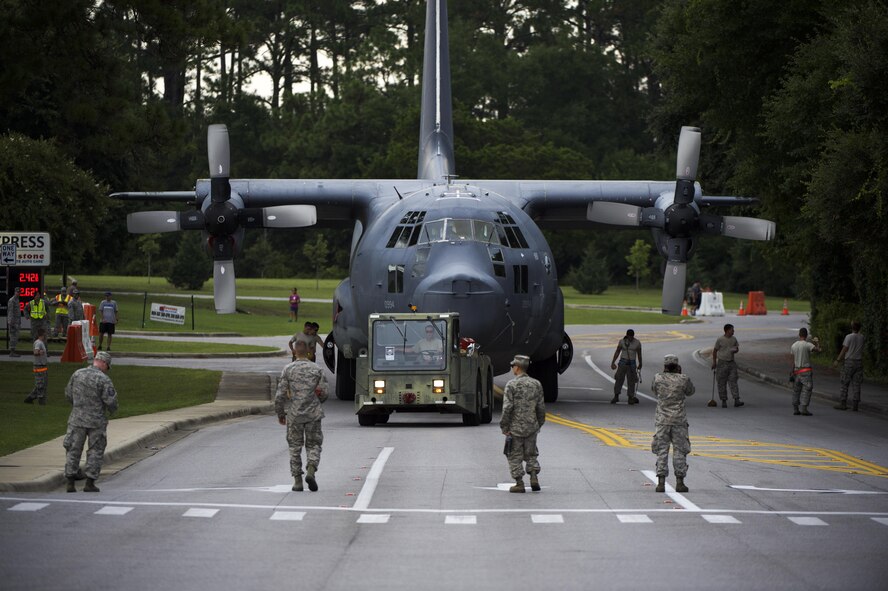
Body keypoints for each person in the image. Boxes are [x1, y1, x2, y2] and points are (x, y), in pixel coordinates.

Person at [274, 339, 329, 492]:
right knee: (314, 445)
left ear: (294, 352)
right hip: (313, 414)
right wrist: (317, 398)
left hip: (294, 414)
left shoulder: (288, 369)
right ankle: (311, 470)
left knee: (294, 447)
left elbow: (280, 395)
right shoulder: (317, 369)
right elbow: (324, 393)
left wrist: (280, 413)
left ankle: (297, 481)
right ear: (309, 352)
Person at [63, 351, 119, 492]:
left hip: (77, 419)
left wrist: (78, 405)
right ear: (104, 363)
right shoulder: (104, 379)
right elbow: (111, 401)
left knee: (73, 449)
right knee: (95, 450)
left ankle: (70, 482)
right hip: (96, 421)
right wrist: (110, 410)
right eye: (107, 366)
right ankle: (90, 482)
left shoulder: (77, 374)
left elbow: (68, 394)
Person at [500, 354, 546, 493]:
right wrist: (538, 424)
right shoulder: (536, 384)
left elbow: (507, 407)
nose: (512, 368)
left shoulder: (511, 385)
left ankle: (519, 483)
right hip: (531, 426)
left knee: (514, 455)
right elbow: (540, 408)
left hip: (515, 428)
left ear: (518, 367)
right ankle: (533, 477)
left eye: (513, 365)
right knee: (531, 454)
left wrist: (504, 426)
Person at [651, 353, 695, 493]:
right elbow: (690, 392)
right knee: (679, 451)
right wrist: (679, 375)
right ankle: (680, 482)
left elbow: (654, 390)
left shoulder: (658, 378)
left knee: (662, 450)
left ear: (664, 366)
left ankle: (661, 482)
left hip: (662, 420)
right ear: (677, 366)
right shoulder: (683, 379)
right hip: (679, 420)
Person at [833, 321, 864, 411]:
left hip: (849, 362)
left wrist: (838, 360)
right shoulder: (862, 337)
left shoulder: (849, 337)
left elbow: (845, 349)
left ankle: (843, 403)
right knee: (856, 384)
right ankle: (855, 404)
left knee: (845, 383)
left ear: (852, 328)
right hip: (859, 362)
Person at [712, 323, 744, 408]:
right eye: (732, 330)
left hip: (731, 363)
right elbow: (715, 351)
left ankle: (736, 399)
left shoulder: (734, 339)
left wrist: (735, 350)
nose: (733, 331)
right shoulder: (720, 339)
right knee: (721, 382)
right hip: (722, 362)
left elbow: (737, 349)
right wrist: (714, 362)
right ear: (727, 330)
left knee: (733, 381)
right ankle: (724, 400)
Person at [790, 327, 821, 416]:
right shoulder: (808, 345)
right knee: (807, 390)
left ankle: (795, 408)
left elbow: (794, 360)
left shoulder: (794, 345)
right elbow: (818, 350)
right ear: (806, 335)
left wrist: (792, 371)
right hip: (806, 371)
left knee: (796, 390)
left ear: (799, 335)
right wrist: (817, 342)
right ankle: (804, 408)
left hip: (796, 371)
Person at [610, 329, 642, 404]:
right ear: (627, 335)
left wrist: (640, 363)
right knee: (619, 379)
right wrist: (613, 362)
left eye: (632, 337)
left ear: (633, 336)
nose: (630, 338)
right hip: (622, 363)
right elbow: (617, 351)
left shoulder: (637, 343)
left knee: (631, 381)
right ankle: (616, 396)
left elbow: (639, 354)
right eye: (629, 336)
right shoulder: (622, 342)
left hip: (632, 364)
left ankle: (630, 397)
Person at [24, 327, 49, 405]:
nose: (46, 336)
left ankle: (30, 398)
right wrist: (39, 352)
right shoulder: (39, 343)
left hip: (43, 367)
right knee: (40, 385)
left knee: (42, 384)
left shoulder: (41, 342)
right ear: (42, 335)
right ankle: (41, 402)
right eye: (45, 334)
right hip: (39, 367)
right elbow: (35, 352)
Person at [7, 287, 22, 356]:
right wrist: (11, 322)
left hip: (16, 322)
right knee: (13, 337)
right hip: (13, 322)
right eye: (17, 292)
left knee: (15, 337)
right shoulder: (12, 300)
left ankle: (13, 351)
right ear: (15, 292)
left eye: (19, 292)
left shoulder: (17, 300)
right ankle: (12, 352)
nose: (18, 293)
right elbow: (10, 312)